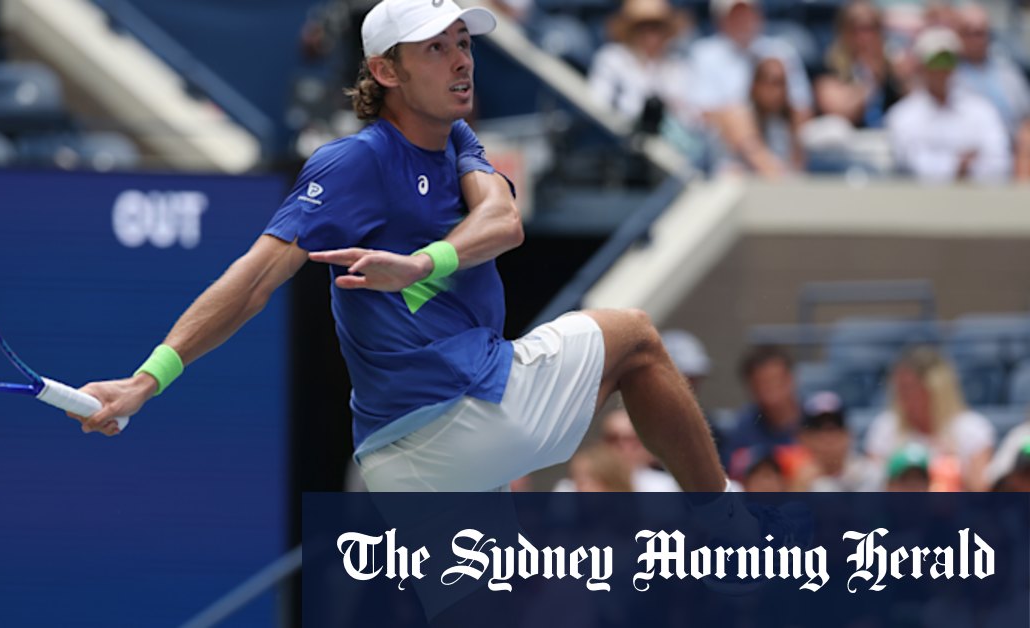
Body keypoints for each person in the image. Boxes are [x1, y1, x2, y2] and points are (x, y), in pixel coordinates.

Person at [71, 0, 728, 497]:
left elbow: (504, 220)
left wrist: (420, 264)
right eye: (436, 48)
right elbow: (253, 279)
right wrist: (147, 379)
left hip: (398, 465)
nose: (462, 59)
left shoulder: (458, 140)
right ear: (386, 70)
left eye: (463, 42)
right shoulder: (354, 162)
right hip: (466, 409)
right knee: (635, 338)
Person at [886, 27, 1011, 183]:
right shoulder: (902, 115)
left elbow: (1000, 162)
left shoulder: (982, 110)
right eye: (935, 62)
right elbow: (913, 165)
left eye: (948, 61)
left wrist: (955, 167)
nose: (942, 69)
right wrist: (958, 165)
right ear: (921, 66)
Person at [863, 346, 996, 491]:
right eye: (900, 388)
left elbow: (981, 491)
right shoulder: (885, 427)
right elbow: (873, 488)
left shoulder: (972, 428)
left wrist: (953, 466)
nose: (904, 396)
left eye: (911, 388)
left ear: (936, 389)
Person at [688, 0, 813, 123]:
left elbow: (801, 104)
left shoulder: (781, 51)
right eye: (735, 16)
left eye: (747, 14)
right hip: (724, 130)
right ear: (720, 20)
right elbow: (701, 110)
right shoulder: (703, 54)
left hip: (778, 125)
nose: (742, 20)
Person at [588, 0, 698, 127]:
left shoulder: (676, 67)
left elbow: (688, 118)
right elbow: (598, 104)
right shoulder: (612, 59)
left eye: (657, 28)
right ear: (632, 30)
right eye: (643, 27)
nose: (650, 35)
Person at [953, 3, 1030, 180]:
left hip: (1013, 157)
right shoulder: (947, 75)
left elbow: (1026, 119)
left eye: (980, 33)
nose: (975, 39)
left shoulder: (1009, 74)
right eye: (968, 32)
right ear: (958, 35)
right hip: (968, 160)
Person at [815, 0, 905, 128]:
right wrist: (871, 80)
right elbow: (840, 112)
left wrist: (900, 77)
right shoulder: (829, 66)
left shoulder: (894, 65)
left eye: (872, 28)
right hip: (852, 137)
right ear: (843, 31)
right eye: (858, 29)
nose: (866, 37)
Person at [713, 56, 806, 177]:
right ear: (755, 85)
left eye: (783, 84)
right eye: (773, 83)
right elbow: (764, 166)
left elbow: (796, 166)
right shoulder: (737, 115)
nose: (779, 92)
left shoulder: (780, 121)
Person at [721, 345, 802, 465]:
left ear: (790, 379)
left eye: (776, 381)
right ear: (751, 387)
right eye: (762, 383)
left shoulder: (818, 419)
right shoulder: (742, 430)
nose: (771, 390)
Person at [790, 391, 884, 492]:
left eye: (834, 428)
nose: (827, 438)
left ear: (849, 434)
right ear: (804, 438)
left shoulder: (869, 474)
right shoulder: (791, 476)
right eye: (818, 429)